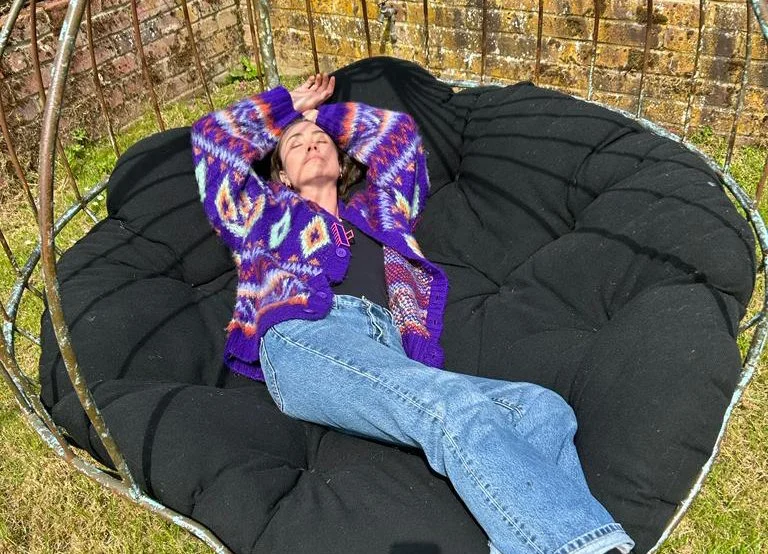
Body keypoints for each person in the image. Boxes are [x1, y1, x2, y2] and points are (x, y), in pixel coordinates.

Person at [191, 72, 634, 554]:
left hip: (387, 349)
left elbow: (398, 137)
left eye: (321, 141)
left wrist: (327, 117)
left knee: (542, 408)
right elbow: (212, 138)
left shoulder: (383, 213)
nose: (311, 144)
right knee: (450, 405)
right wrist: (290, 106)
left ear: (341, 161)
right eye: (295, 144)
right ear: (281, 174)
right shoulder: (261, 213)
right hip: (305, 335)